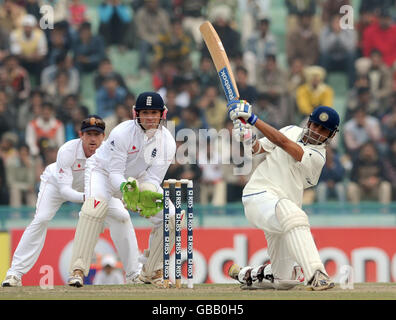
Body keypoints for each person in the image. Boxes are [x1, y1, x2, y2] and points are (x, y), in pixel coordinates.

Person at [1, 116, 141, 287]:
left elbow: (114, 181)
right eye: (88, 134)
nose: (92, 139)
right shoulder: (68, 151)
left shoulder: (109, 153)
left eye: (97, 135)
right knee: (42, 218)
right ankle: (14, 274)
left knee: (122, 216)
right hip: (56, 185)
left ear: (103, 137)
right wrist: (90, 199)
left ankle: (134, 274)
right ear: (81, 135)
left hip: (94, 189)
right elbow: (65, 191)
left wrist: (126, 198)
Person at [226, 101, 339, 291]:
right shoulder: (290, 130)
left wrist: (253, 119)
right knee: (294, 214)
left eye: (324, 130)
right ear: (309, 123)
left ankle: (245, 274)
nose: (317, 131)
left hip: (282, 212)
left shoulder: (318, 157)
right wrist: (248, 138)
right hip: (258, 195)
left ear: (331, 135)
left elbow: (283, 143)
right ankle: (316, 274)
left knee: (284, 279)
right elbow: (258, 149)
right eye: (315, 125)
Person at [68, 92, 177, 288]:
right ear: (136, 113)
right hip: (103, 172)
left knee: (170, 216)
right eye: (145, 112)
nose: (150, 117)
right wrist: (128, 191)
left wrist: (144, 196)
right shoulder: (122, 133)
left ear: (163, 114)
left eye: (154, 112)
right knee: (94, 209)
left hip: (138, 178)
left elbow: (153, 179)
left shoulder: (167, 141)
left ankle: (151, 271)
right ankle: (78, 270)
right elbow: (115, 173)